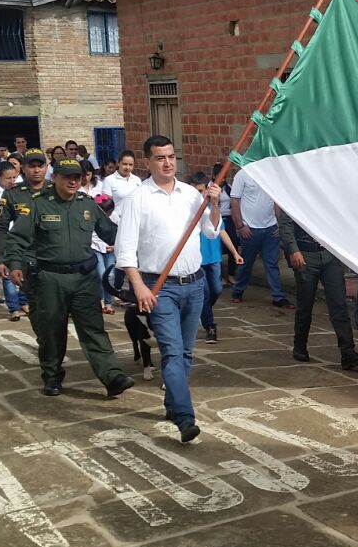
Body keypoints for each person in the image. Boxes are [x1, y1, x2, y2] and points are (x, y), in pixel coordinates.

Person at [115, 135, 222, 444]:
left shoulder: (190, 194)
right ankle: (186, 417)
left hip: (194, 283)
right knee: (173, 352)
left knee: (186, 353)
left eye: (172, 157)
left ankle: (172, 404)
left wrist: (214, 204)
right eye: (160, 158)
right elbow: (125, 251)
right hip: (159, 287)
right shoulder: (138, 198)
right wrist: (139, 289)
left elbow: (212, 231)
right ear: (148, 162)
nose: (168, 163)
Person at [5, 158, 134, 399]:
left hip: (85, 278)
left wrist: (134, 250)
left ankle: (112, 376)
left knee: (94, 329)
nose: (73, 181)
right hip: (50, 279)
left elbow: (111, 233)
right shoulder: (38, 205)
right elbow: (17, 239)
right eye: (67, 177)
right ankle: (52, 376)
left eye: (77, 177)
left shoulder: (87, 205)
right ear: (55, 178)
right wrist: (14, 265)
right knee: (52, 331)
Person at [278, 208, 358, 369]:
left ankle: (348, 352)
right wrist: (293, 250)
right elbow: (286, 225)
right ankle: (300, 345)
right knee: (305, 305)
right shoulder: (294, 194)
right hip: (306, 254)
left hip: (329, 255)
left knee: (339, 304)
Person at [0, 149, 50, 315]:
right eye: (32, 166)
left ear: (46, 168)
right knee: (37, 307)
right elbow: (1, 227)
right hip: (25, 255)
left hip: (53, 253)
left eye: (41, 166)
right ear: (23, 168)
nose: (37, 170)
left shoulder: (56, 189)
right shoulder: (13, 193)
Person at [189, 171, 243, 343]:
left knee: (217, 290)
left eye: (200, 191)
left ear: (207, 189)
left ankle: (200, 311)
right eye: (194, 191)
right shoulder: (188, 210)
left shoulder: (213, 209)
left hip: (214, 258)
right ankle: (210, 325)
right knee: (204, 293)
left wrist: (234, 253)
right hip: (197, 260)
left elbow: (221, 230)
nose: (197, 195)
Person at [229, 166, 292, 308]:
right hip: (250, 228)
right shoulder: (242, 174)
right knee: (246, 263)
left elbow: (275, 201)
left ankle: (278, 296)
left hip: (270, 228)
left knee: (272, 263)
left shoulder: (271, 173)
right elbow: (234, 201)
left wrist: (279, 224)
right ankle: (238, 291)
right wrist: (240, 225)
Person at [0, 160, 26, 321]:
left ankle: (24, 301)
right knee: (7, 274)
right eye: (8, 178)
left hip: (20, 237)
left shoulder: (19, 190)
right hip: (3, 237)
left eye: (14, 177)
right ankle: (13, 308)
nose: (11, 181)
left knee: (24, 270)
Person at [91, 193, 117, 315]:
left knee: (110, 275)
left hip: (111, 249)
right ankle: (99, 300)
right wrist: (103, 246)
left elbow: (120, 232)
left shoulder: (115, 217)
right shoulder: (93, 217)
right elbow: (92, 236)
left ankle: (108, 303)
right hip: (96, 248)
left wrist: (115, 246)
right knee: (101, 274)